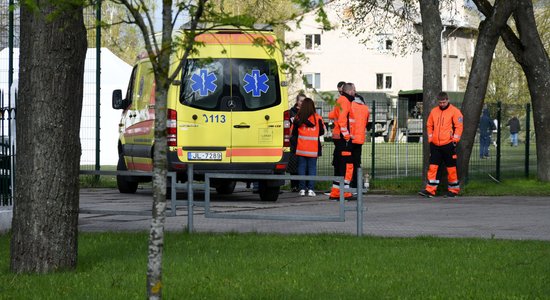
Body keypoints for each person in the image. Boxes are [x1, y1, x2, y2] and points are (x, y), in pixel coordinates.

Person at [419, 92, 463, 198]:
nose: (442, 104)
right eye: (440, 102)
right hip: (435, 145)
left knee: (451, 168)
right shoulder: (434, 111)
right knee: (433, 167)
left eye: (443, 102)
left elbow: (459, 126)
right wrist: (430, 138)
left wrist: (455, 140)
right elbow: (429, 125)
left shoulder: (455, 111)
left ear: (447, 100)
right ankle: (430, 190)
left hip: (448, 144)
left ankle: (454, 190)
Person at [290, 98, 325, 197]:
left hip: (301, 148)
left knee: (301, 168)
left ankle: (301, 189)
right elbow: (322, 132)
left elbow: (293, 132)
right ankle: (310, 189)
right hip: (313, 149)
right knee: (312, 169)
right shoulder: (317, 118)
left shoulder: (298, 118)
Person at [327, 83, 356, 200]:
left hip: (338, 138)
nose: (355, 92)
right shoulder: (345, 101)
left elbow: (332, 115)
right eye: (354, 90)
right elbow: (342, 120)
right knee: (347, 165)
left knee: (339, 166)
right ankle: (345, 192)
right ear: (350, 92)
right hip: (344, 140)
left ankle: (335, 192)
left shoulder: (340, 100)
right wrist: (347, 136)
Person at [348, 85, 370, 190]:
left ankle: (349, 183)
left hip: (350, 137)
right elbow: (366, 122)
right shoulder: (365, 108)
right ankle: (357, 184)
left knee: (348, 162)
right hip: (360, 138)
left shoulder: (350, 105)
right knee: (357, 162)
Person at [288, 93, 306, 192]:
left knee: (303, 164)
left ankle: (303, 185)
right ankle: (294, 185)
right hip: (294, 141)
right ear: (297, 101)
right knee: (293, 165)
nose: (302, 103)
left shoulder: (308, 112)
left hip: (304, 141)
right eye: (301, 101)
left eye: (304, 101)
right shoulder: (292, 112)